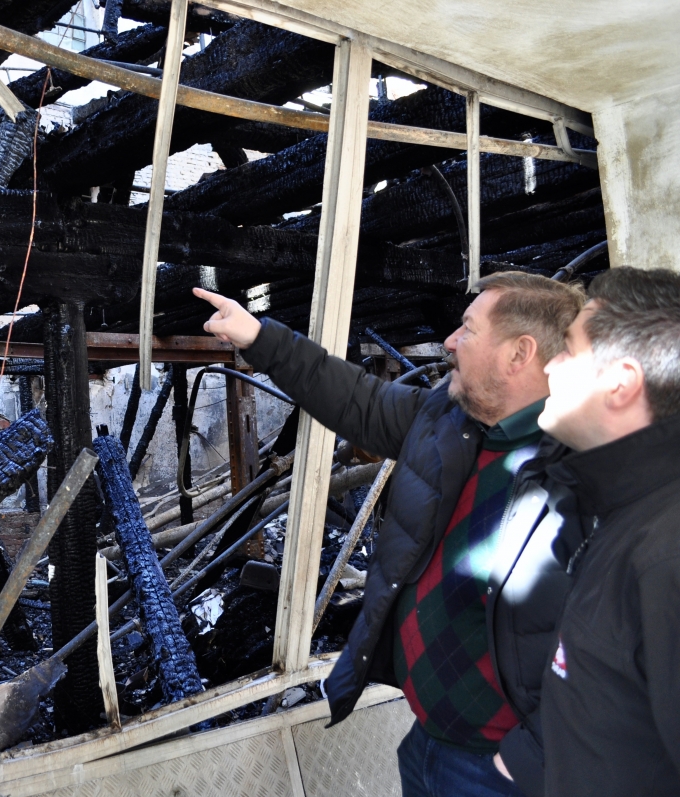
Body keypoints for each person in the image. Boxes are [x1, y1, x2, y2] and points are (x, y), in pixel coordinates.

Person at [195, 272, 584, 797]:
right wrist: (259, 337)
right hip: (427, 734)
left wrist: (529, 757)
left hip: (504, 768)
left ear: (519, 354)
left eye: (468, 329)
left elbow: (624, 644)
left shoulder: (585, 472)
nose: (449, 341)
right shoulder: (448, 418)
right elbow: (358, 398)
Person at [534, 267, 680, 796]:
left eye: (568, 350)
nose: (549, 365)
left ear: (620, 381)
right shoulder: (620, 512)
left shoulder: (666, 554)